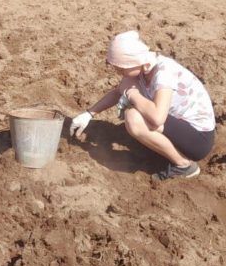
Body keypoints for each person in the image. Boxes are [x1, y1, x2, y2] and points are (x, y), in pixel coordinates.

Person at [69, 31, 216, 180]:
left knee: (134, 118)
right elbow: (118, 92)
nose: (118, 72)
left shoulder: (163, 73)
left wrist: (133, 94)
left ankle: (184, 165)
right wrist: (89, 114)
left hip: (198, 139)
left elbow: (158, 118)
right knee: (135, 111)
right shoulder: (144, 68)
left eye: (121, 68)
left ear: (134, 62)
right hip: (179, 127)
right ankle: (167, 152)